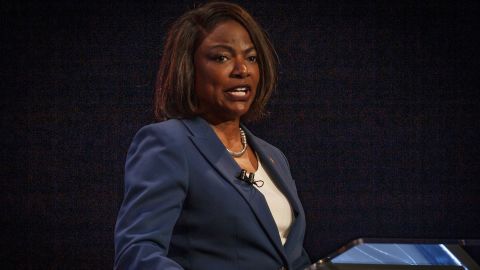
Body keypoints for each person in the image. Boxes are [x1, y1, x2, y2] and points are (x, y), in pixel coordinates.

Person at [114, 2, 310, 269]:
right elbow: (137, 254)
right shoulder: (169, 143)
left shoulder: (275, 158)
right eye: (222, 57)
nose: (242, 69)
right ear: (189, 67)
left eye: (251, 58)